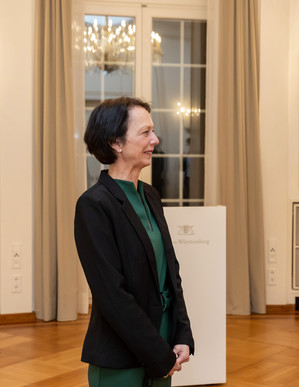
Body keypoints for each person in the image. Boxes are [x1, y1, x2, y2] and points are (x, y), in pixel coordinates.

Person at [74, 97, 195, 387]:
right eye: (145, 132)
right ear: (116, 142)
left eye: (152, 131)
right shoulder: (93, 205)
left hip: (162, 348)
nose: (155, 139)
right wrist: (158, 354)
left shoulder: (150, 195)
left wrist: (182, 334)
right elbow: (112, 296)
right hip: (122, 359)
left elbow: (171, 276)